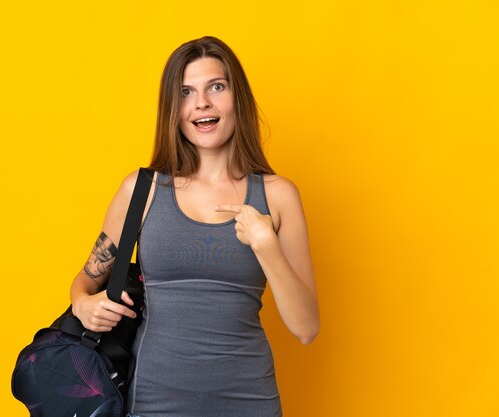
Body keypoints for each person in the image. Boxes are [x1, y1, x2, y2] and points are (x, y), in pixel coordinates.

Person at [70, 36, 320, 417]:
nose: (202, 102)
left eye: (216, 87)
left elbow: (306, 327)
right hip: (154, 403)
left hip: (249, 401)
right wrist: (83, 304)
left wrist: (266, 245)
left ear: (238, 98)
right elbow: (86, 281)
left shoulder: (278, 195)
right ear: (174, 108)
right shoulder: (142, 190)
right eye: (186, 92)